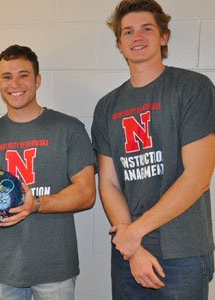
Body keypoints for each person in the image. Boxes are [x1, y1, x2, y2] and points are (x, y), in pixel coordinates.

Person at [91, 0, 215, 299]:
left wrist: (134, 232)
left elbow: (198, 176)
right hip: (128, 253)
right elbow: (108, 182)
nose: (137, 37)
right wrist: (132, 243)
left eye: (147, 29)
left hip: (183, 252)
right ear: (120, 44)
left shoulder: (193, 87)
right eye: (128, 32)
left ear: (164, 36)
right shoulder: (107, 106)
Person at [0, 45, 96, 300]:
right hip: (4, 270)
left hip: (55, 270)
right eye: (6, 76)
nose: (15, 83)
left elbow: (86, 194)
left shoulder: (68, 129)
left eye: (23, 75)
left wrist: (35, 204)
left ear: (38, 80)